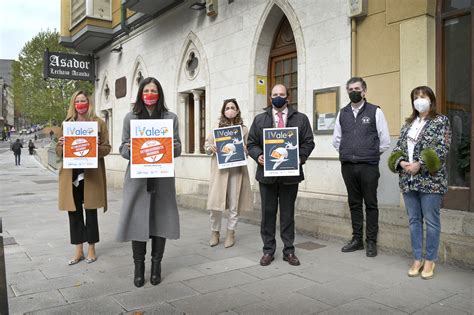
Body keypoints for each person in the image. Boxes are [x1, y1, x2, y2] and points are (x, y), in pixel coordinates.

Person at [116, 77, 182, 287]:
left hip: (162, 179)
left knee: (160, 222)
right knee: (137, 221)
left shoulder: (170, 118)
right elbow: (122, 149)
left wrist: (168, 146)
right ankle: (138, 267)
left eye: (154, 90)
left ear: (159, 93)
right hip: (137, 180)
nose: (150, 94)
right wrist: (131, 148)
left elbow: (179, 148)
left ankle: (156, 266)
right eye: (146, 90)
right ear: (140, 93)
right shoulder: (130, 118)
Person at [247, 84, 315, 266]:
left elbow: (309, 142)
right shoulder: (260, 119)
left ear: (288, 97)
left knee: (287, 214)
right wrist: (258, 155)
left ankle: (289, 251)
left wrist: (299, 158)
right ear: (270, 98)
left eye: (281, 94)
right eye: (275, 94)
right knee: (267, 214)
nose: (278, 97)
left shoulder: (300, 119)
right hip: (266, 176)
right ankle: (268, 250)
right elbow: (251, 143)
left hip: (290, 176)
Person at [388, 86, 451, 279]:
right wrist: (401, 162)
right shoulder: (408, 124)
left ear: (431, 100)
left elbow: (443, 148)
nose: (419, 100)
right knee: (414, 220)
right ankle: (417, 257)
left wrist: (420, 164)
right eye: (416, 97)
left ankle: (430, 260)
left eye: (423, 96)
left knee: (431, 221)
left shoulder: (441, 121)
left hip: (430, 180)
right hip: (408, 179)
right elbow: (397, 149)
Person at [332, 77, 390, 257]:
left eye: (357, 88)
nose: (353, 92)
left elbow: (385, 141)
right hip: (348, 165)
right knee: (354, 203)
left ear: (364, 91)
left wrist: (369, 153)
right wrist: (349, 153)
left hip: (368, 166)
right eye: (350, 89)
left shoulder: (375, 111)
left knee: (371, 204)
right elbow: (337, 140)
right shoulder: (342, 113)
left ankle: (371, 241)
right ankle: (357, 239)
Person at [56, 90, 111, 265]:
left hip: (91, 174)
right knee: (74, 212)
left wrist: (96, 147)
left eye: (84, 101)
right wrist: (61, 145)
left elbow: (107, 148)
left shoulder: (98, 123)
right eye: (77, 101)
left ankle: (92, 248)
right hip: (71, 174)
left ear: (89, 103)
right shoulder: (67, 124)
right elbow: (59, 152)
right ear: (73, 104)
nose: (81, 104)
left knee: (91, 211)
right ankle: (78, 249)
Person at [204, 98, 253, 248]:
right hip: (220, 170)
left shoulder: (243, 129)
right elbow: (206, 146)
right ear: (223, 111)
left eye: (232, 107)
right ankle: (215, 232)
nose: (230, 110)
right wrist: (210, 148)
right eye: (227, 108)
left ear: (237, 110)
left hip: (236, 171)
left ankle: (231, 232)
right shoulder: (216, 128)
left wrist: (246, 150)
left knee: (234, 202)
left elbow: (249, 149)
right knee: (215, 204)